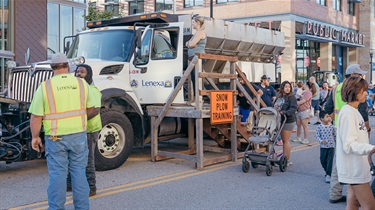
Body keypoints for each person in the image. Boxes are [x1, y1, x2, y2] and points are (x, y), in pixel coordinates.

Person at [29, 53, 96, 209]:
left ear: (53, 68)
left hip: (55, 137)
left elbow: (36, 117)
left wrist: (35, 137)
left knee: (58, 174)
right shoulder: (81, 84)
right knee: (79, 173)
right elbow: (91, 108)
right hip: (78, 136)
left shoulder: (45, 86)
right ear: (68, 66)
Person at [324, 63, 371, 204]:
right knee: (368, 204)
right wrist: (367, 132)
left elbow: (328, 107)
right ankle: (336, 191)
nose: (361, 77)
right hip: (351, 129)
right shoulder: (354, 96)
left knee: (339, 161)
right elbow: (362, 113)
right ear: (352, 77)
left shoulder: (336, 89)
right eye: (358, 75)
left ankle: (335, 192)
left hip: (339, 127)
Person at [336, 76, 375, 209]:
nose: (366, 93)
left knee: (353, 202)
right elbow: (349, 144)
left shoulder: (353, 111)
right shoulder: (348, 113)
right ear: (354, 91)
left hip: (356, 166)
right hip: (354, 168)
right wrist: (370, 148)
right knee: (369, 206)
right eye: (363, 90)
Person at [67, 64, 102, 196]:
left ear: (89, 75)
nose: (78, 74)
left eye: (82, 72)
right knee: (72, 157)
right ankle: (69, 185)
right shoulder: (77, 90)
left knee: (88, 160)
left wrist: (78, 120)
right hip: (78, 129)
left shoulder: (92, 89)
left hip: (90, 130)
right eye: (77, 71)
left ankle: (91, 187)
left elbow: (95, 110)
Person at [274, 81, 297, 166]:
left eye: (289, 87)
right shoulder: (279, 96)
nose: (287, 88)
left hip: (288, 120)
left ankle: (287, 159)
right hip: (279, 119)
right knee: (282, 140)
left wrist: (285, 112)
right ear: (282, 88)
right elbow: (275, 104)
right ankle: (284, 158)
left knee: (285, 140)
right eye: (286, 87)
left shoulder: (291, 97)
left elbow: (293, 108)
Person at [186, 15, 207, 96]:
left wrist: (190, 44)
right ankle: (196, 97)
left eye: (193, 22)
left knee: (197, 78)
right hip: (194, 58)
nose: (192, 24)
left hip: (198, 58)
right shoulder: (196, 33)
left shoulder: (201, 33)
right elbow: (188, 43)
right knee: (194, 78)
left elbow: (191, 44)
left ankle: (199, 99)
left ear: (198, 23)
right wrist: (189, 44)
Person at [316, 110, 336, 183]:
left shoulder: (332, 127)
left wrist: (337, 143)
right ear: (321, 119)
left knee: (329, 161)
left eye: (329, 116)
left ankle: (328, 174)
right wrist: (321, 141)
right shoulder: (319, 127)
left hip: (331, 146)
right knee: (322, 160)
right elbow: (317, 136)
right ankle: (327, 171)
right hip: (323, 146)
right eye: (327, 117)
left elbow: (335, 135)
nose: (328, 118)